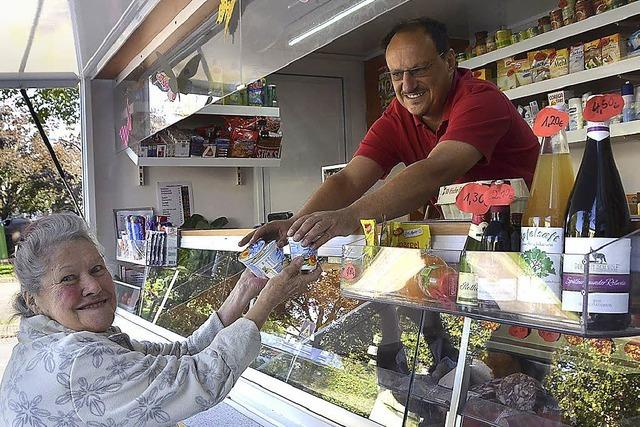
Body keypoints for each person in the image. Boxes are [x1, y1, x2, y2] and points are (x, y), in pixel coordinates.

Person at [240, 17, 538, 250]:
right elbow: (349, 178)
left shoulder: (479, 99)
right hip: (460, 242)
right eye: (397, 75)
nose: (407, 86)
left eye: (418, 70)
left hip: (525, 240)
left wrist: (349, 217)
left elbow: (436, 170)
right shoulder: (398, 114)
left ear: (449, 62)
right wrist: (294, 223)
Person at [0, 213, 321, 426]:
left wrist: (248, 287)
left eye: (97, 269)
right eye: (68, 278)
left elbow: (180, 357)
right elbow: (201, 380)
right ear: (32, 297)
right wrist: (268, 300)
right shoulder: (75, 360)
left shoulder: (45, 341)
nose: (94, 286)